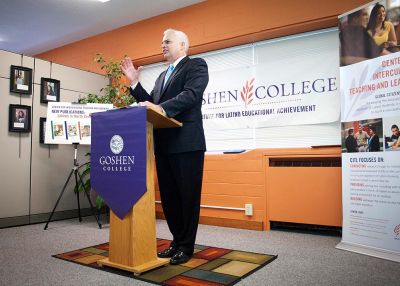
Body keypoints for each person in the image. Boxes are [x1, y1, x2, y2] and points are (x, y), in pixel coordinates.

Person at [121, 28, 209, 265]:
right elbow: (151, 103)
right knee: (169, 199)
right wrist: (135, 82)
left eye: (167, 41)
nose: (163, 45)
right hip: (163, 144)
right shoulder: (161, 77)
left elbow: (191, 95)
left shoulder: (196, 66)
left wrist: (160, 107)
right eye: (161, 42)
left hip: (187, 143)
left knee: (187, 197)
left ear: (183, 45)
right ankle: (176, 242)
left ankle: (187, 246)